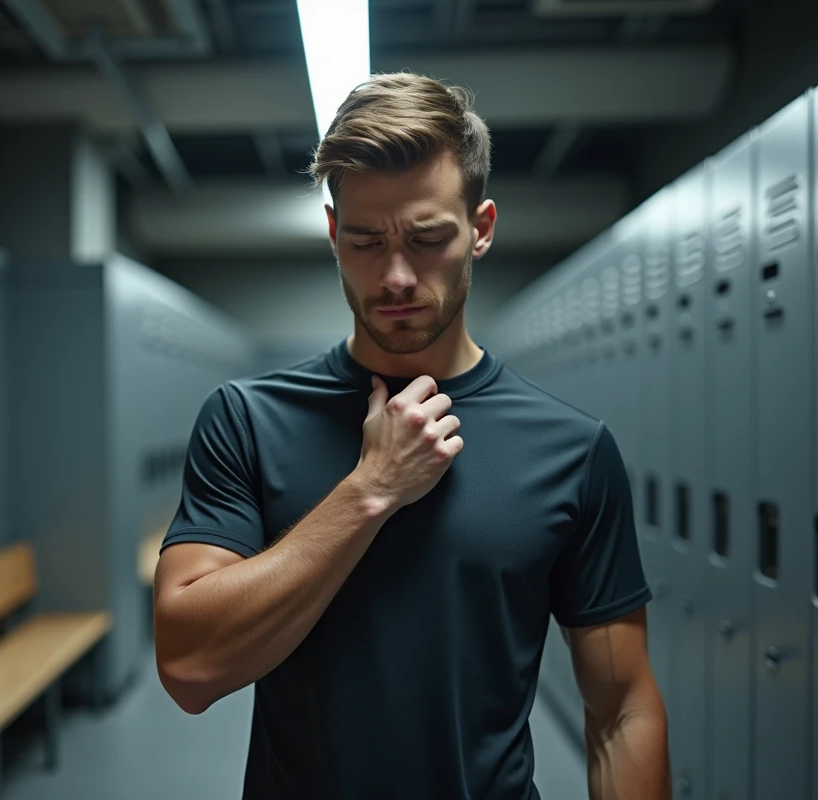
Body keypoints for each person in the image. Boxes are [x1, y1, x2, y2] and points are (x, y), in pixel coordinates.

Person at [152, 73, 670, 800]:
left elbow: (622, 710)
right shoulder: (247, 420)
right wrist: (370, 491)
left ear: (481, 229)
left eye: (427, 239)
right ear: (334, 234)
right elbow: (188, 668)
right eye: (366, 241)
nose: (396, 275)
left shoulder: (573, 451)